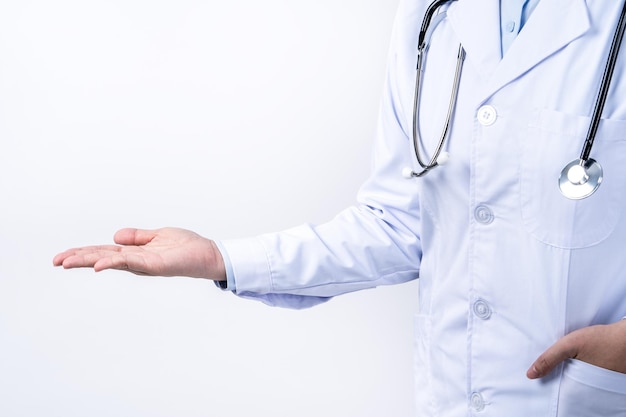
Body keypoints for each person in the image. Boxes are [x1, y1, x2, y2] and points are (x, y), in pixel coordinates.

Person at [54, 0, 626, 415]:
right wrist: (222, 258)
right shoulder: (432, 21)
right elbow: (399, 224)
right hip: (455, 393)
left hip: (588, 395)